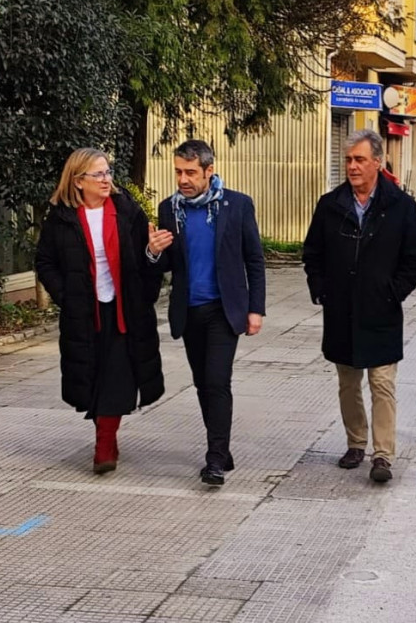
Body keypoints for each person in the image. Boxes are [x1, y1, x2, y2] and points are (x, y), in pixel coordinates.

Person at [302, 129, 416, 484]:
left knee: (382, 383)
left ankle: (383, 455)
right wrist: (321, 288)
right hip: (341, 310)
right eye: (348, 160)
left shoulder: (399, 206)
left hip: (382, 310)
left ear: (377, 161)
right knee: (348, 383)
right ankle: (356, 443)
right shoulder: (331, 205)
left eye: (359, 160)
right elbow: (313, 253)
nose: (352, 167)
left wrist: (394, 291)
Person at [35, 148, 164, 474]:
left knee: (118, 378)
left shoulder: (126, 211)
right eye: (99, 174)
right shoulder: (61, 218)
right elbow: (45, 263)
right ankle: (107, 432)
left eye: (108, 172)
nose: (107, 179)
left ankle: (104, 444)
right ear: (79, 181)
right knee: (93, 378)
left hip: (124, 311)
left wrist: (152, 252)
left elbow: (144, 259)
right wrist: (66, 295)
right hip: (84, 313)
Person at [147, 140, 266, 486]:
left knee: (216, 381)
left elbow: (254, 260)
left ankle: (214, 460)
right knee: (203, 384)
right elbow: (166, 263)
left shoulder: (237, 205)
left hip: (224, 310)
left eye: (190, 172)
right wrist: (153, 252)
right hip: (189, 310)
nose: (183, 179)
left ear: (209, 171)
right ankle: (222, 449)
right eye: (178, 172)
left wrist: (255, 308)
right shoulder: (170, 209)